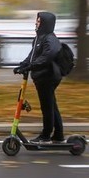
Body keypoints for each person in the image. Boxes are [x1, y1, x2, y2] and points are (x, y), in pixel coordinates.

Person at [14, 11, 64, 143]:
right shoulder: (38, 38)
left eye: (39, 21)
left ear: (45, 23)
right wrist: (23, 65)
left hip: (48, 76)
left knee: (47, 106)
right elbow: (32, 56)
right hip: (41, 76)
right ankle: (58, 135)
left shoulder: (50, 39)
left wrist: (31, 66)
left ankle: (46, 135)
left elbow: (46, 57)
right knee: (51, 105)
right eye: (37, 20)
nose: (36, 23)